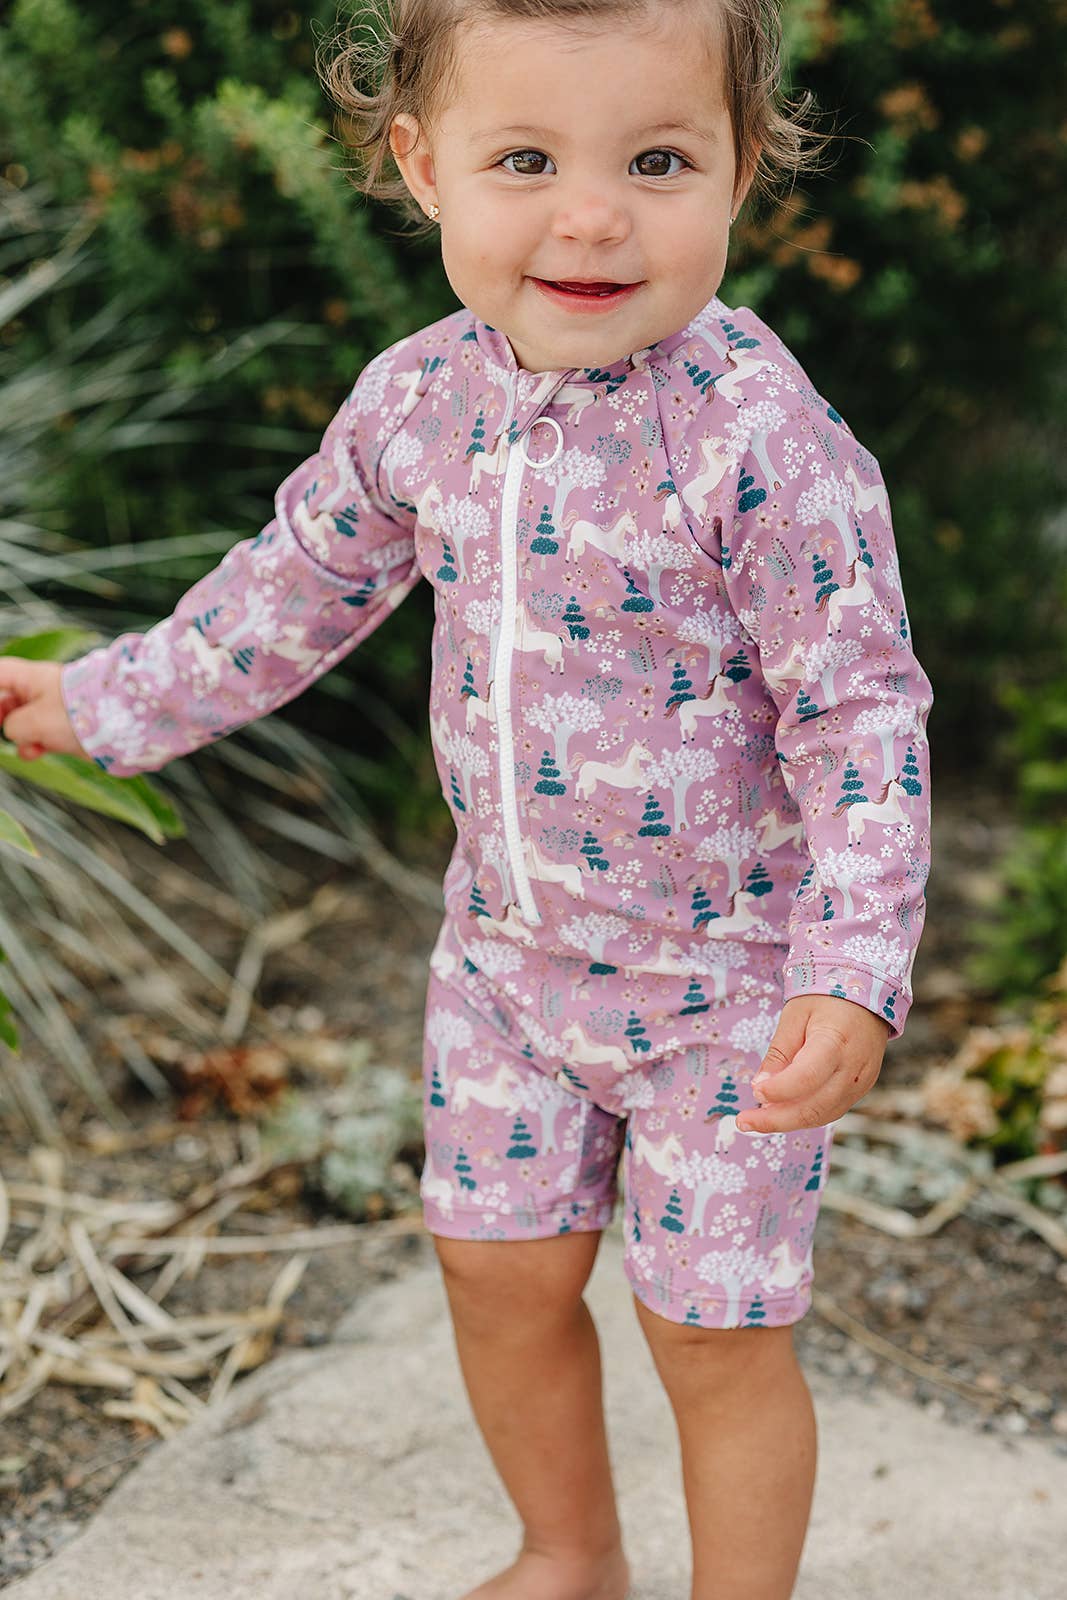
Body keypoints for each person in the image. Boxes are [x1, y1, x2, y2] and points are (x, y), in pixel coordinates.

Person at [0, 2, 933, 1596]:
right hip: (504, 971)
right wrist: (101, 704)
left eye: (657, 160)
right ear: (422, 168)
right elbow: (293, 590)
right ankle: (567, 1555)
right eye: (525, 159)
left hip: (730, 998)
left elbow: (859, 711)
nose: (590, 214)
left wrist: (853, 969)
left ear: (744, 168)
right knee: (496, 1275)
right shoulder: (421, 403)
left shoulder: (759, 439)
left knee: (713, 1337)